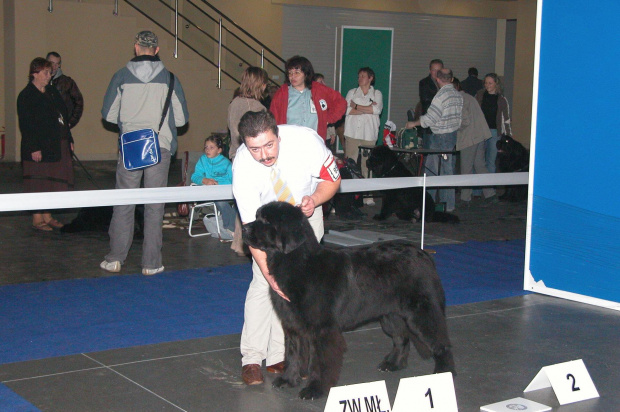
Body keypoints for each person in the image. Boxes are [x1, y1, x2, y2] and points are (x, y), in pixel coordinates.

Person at [232, 110, 341, 386]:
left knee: (301, 289)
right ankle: (253, 358)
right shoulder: (242, 166)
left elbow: (333, 180)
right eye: (254, 148)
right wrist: (271, 276)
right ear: (245, 144)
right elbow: (249, 230)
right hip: (266, 223)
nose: (264, 155)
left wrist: (314, 199)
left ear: (278, 135)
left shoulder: (306, 141)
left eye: (269, 145)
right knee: (262, 283)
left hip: (305, 215)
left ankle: (280, 355)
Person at [99, 30, 189, 276]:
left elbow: (108, 115)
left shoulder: (120, 76)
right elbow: (181, 120)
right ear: (156, 50)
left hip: (131, 146)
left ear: (136, 47)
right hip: (159, 147)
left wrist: (130, 121)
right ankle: (151, 263)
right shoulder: (171, 79)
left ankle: (115, 258)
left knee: (124, 204)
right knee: (154, 206)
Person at [17, 57, 74, 231]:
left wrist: (69, 139)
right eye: (46, 72)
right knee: (38, 183)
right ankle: (37, 218)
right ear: (34, 73)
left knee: (50, 182)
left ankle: (48, 215)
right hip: (38, 146)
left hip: (55, 144)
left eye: (50, 72)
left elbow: (62, 117)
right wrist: (34, 147)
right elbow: (26, 124)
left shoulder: (51, 91)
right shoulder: (26, 95)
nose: (49, 76)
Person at [407, 68, 463, 212]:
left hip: (439, 137)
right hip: (452, 136)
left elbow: (431, 118)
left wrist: (414, 123)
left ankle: (428, 204)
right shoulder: (458, 95)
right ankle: (447, 205)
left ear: (438, 79)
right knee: (447, 171)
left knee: (431, 170)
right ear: (451, 79)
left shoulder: (440, 96)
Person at [227, 66, 268, 256]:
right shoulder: (257, 108)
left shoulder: (234, 102)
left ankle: (238, 242)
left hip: (236, 155)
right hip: (251, 158)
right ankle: (251, 242)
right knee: (255, 203)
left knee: (242, 201)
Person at [269, 55, 346, 143]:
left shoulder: (319, 90)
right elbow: (273, 119)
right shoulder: (281, 94)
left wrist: (328, 119)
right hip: (290, 143)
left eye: (297, 72)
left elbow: (341, 102)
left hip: (314, 142)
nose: (292, 76)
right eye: (290, 73)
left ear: (306, 74)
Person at [453, 78, 497, 205]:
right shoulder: (469, 97)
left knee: (466, 167)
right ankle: (490, 194)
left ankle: (465, 198)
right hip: (480, 135)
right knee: (480, 165)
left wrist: (453, 126)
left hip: (469, 137)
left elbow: (464, 121)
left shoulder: (459, 100)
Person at [191, 135, 235, 240]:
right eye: (206, 147)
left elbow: (233, 180)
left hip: (226, 191)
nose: (207, 150)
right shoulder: (202, 160)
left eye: (211, 147)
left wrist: (221, 185)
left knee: (238, 203)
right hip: (209, 192)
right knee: (221, 202)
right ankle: (231, 229)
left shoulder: (226, 163)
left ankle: (231, 228)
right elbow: (195, 176)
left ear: (219, 150)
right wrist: (204, 180)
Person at [344, 67, 383, 179]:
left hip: (369, 133)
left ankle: (367, 192)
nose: (359, 79)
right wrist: (368, 108)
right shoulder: (352, 92)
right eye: (359, 76)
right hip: (352, 133)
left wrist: (355, 106)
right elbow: (346, 110)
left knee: (368, 164)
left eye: (363, 76)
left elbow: (376, 110)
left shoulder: (377, 93)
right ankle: (351, 191)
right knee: (350, 162)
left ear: (370, 78)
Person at [475, 73, 512, 173]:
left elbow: (507, 120)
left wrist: (508, 137)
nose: (487, 85)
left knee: (491, 161)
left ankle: (489, 187)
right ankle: (476, 187)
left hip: (495, 132)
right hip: (481, 131)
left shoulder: (502, 100)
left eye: (490, 83)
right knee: (478, 161)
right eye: (486, 83)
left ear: (496, 84)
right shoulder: (479, 95)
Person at [46, 52, 84, 129]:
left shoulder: (67, 82)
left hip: (61, 128)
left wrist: (70, 122)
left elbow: (79, 102)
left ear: (60, 65)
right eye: (51, 63)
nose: (54, 66)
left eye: (57, 64)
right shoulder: (40, 81)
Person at [419, 59, 444, 148]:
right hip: (430, 124)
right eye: (434, 70)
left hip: (443, 124)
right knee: (429, 152)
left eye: (439, 70)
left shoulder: (445, 83)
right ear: (430, 70)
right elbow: (425, 100)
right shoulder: (424, 83)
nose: (436, 72)